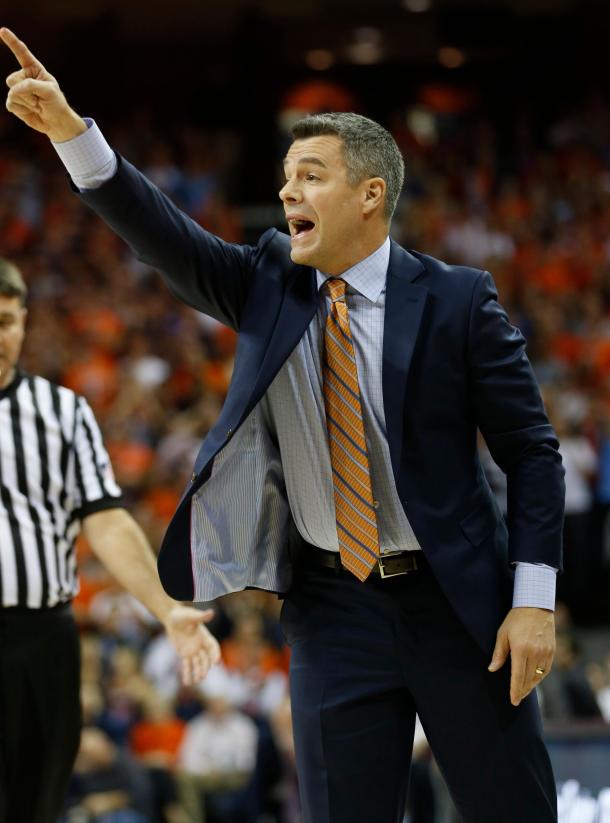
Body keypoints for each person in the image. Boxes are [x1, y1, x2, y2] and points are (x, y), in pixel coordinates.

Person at [1, 28, 566, 822]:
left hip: (458, 604)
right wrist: (71, 132)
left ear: (370, 194)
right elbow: (165, 238)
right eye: (285, 176)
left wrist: (534, 599)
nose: (289, 191)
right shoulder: (270, 279)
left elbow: (533, 454)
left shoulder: (457, 300)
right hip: (334, 606)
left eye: (311, 175)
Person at [0, 255, 220, 823]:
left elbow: (107, 520)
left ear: (23, 321)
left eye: (6, 320)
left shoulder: (63, 413)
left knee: (36, 803)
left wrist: (167, 610)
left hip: (42, 639)